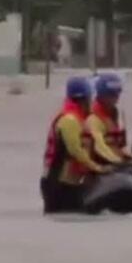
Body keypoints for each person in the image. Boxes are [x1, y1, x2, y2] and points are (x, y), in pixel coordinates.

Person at [40, 77, 109, 213]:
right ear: (84, 99)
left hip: (69, 184)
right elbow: (76, 151)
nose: (92, 101)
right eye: (90, 98)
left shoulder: (78, 119)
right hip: (58, 185)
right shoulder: (69, 120)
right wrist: (98, 168)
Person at [86, 73, 132, 166]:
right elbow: (99, 147)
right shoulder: (93, 118)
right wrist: (118, 162)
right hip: (100, 165)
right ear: (101, 95)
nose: (116, 98)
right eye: (112, 94)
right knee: (128, 181)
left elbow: (121, 146)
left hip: (116, 164)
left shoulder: (118, 114)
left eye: (118, 93)